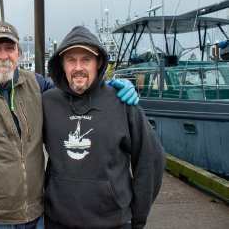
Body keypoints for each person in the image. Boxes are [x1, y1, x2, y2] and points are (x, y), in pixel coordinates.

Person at [0, 21, 139, 229]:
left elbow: (71, 92)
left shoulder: (36, 85)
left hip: (32, 218)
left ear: (18, 53)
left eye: (9, 48)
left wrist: (105, 88)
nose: (3, 55)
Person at [42, 26, 166, 229]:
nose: (78, 67)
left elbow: (151, 158)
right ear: (61, 64)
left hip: (114, 223)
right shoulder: (47, 103)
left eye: (86, 60)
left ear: (98, 63)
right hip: (57, 222)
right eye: (71, 60)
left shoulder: (122, 102)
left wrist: (137, 217)